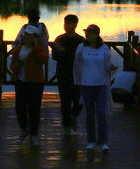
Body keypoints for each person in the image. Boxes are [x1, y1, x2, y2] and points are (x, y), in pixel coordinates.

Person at [73, 23, 116, 151]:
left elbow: (107, 65)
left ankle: (103, 141)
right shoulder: (81, 47)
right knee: (89, 113)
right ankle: (91, 141)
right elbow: (77, 65)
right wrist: (77, 81)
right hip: (86, 85)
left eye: (90, 33)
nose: (87, 35)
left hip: (101, 85)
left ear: (97, 35)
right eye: (86, 33)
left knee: (101, 113)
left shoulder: (104, 49)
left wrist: (111, 69)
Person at [11, 9, 50, 145]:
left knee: (34, 108)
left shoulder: (38, 50)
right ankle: (23, 130)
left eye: (28, 36)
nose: (25, 37)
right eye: (25, 35)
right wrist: (18, 66)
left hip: (36, 82)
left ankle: (34, 134)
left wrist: (36, 46)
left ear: (34, 37)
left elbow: (44, 59)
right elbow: (13, 64)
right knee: (20, 107)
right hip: (21, 81)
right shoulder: (19, 49)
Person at [50, 13, 85, 137]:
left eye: (71, 23)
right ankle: (66, 126)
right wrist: (68, 54)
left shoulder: (81, 40)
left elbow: (82, 57)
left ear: (75, 25)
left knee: (78, 100)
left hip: (78, 74)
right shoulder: (59, 38)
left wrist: (64, 51)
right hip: (63, 73)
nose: (68, 26)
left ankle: (74, 116)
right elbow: (54, 56)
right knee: (65, 100)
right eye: (66, 23)